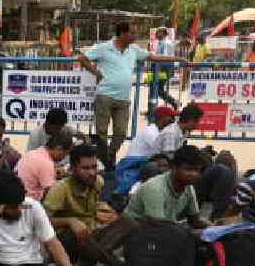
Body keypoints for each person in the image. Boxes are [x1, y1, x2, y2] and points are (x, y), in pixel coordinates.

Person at [77, 21, 187, 169]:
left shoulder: (133, 50)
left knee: (121, 133)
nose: (135, 36)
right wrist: (95, 72)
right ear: (122, 33)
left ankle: (109, 156)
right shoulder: (105, 47)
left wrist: (177, 59)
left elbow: (154, 57)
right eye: (132, 33)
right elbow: (82, 58)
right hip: (104, 96)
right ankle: (106, 165)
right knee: (101, 133)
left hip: (123, 98)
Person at [44, 145, 137, 266]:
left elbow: (93, 211)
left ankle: (87, 261)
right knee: (78, 233)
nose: (92, 172)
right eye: (85, 168)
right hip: (68, 241)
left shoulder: (97, 182)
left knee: (129, 222)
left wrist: (105, 212)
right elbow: (42, 221)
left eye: (94, 167)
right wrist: (70, 221)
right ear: (72, 169)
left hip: (92, 236)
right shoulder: (60, 189)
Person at [124, 145, 210, 228]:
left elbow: (194, 220)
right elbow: (160, 228)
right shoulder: (155, 188)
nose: (194, 174)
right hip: (133, 232)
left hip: (161, 230)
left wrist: (214, 226)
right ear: (173, 167)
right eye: (188, 169)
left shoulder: (188, 187)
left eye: (197, 170)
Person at [114, 105, 177, 195]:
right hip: (135, 164)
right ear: (163, 118)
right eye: (171, 117)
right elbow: (162, 154)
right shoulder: (151, 132)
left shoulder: (158, 131)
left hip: (142, 162)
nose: (173, 120)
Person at [15, 130, 73, 201]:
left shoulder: (32, 153)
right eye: (65, 154)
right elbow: (52, 193)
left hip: (19, 198)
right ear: (59, 149)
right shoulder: (46, 163)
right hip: (31, 202)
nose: (64, 158)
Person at [152, 27, 179, 109]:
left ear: (163, 34)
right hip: (160, 69)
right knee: (154, 87)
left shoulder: (166, 43)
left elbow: (165, 57)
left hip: (165, 69)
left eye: (158, 32)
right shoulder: (160, 43)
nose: (156, 34)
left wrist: (154, 59)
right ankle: (152, 107)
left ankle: (174, 102)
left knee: (157, 89)